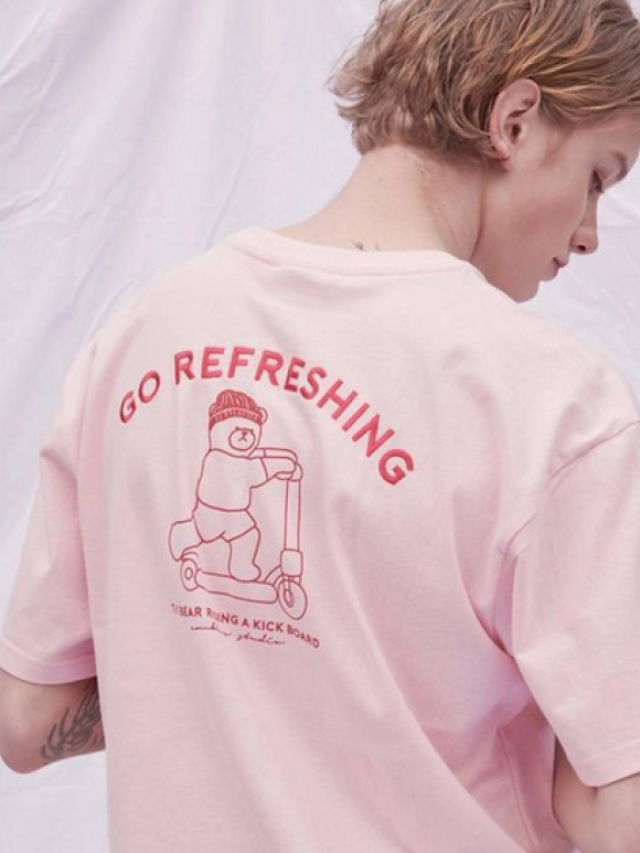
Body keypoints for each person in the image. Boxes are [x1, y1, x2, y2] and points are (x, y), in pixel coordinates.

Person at [1, 0, 640, 850]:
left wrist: (223, 675)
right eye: (598, 176)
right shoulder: (557, 407)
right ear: (515, 121)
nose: (591, 234)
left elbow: (26, 717)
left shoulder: (139, 337)